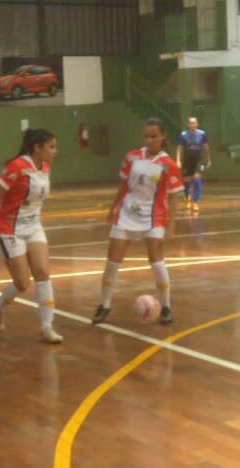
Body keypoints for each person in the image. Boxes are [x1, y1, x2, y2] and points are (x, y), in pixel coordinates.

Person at [92, 118, 184, 325]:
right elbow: (124, 186)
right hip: (126, 215)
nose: (150, 139)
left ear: (163, 137)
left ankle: (166, 307)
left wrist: (171, 227)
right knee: (112, 262)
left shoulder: (168, 165)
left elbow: (173, 198)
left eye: (154, 136)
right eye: (146, 136)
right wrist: (113, 207)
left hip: (153, 218)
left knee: (157, 262)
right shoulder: (132, 157)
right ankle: (105, 305)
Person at [0, 129, 63, 344]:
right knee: (22, 283)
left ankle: (47, 328)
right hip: (9, 229)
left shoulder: (45, 167)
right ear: (37, 148)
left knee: (43, 272)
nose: (55, 151)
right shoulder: (16, 167)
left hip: (34, 226)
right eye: (51, 147)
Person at [177, 117, 211, 213]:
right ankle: (187, 198)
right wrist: (178, 160)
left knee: (197, 180)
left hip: (198, 161)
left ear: (197, 124)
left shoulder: (202, 134)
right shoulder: (183, 135)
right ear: (188, 124)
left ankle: (195, 202)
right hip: (187, 162)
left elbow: (206, 148)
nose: (192, 125)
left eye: (194, 123)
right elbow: (180, 148)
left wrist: (208, 160)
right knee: (186, 182)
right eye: (190, 123)